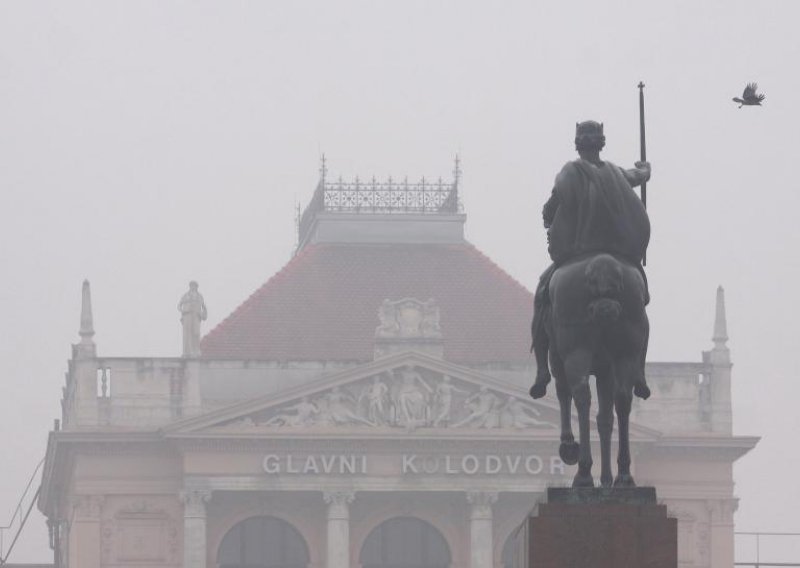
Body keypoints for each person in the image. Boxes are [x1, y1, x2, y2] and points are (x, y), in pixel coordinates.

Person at [530, 121, 652, 400]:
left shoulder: (569, 174)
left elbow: (549, 213)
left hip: (577, 254)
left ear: (577, 144)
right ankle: (639, 373)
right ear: (602, 143)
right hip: (618, 254)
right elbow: (638, 174)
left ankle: (541, 372)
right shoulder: (616, 174)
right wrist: (646, 169)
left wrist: (554, 219)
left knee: (541, 297)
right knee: (641, 305)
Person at [178, 281, 207, 357]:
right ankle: (187, 352)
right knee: (187, 333)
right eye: (191, 286)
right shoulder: (185, 296)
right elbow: (179, 306)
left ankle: (196, 350)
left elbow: (204, 307)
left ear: (197, 287)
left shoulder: (200, 296)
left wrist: (203, 314)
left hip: (196, 316)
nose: (193, 287)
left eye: (194, 286)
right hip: (187, 316)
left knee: (196, 333)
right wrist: (184, 311)